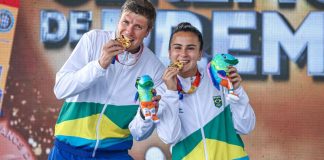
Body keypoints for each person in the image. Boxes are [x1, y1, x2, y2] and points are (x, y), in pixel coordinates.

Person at [48, 0, 165, 159]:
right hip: (68, 152)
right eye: (125, 22)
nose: (129, 32)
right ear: (118, 20)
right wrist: (99, 65)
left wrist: (145, 115)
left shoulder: (154, 68)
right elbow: (60, 89)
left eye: (138, 27)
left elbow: (139, 134)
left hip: (114, 154)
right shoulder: (93, 39)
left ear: (148, 31)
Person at [155, 22, 256, 160]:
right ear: (169, 53)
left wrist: (237, 90)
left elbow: (246, 127)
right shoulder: (161, 91)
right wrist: (171, 93)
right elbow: (169, 137)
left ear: (199, 54)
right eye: (177, 48)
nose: (183, 54)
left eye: (190, 48)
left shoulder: (218, 79)